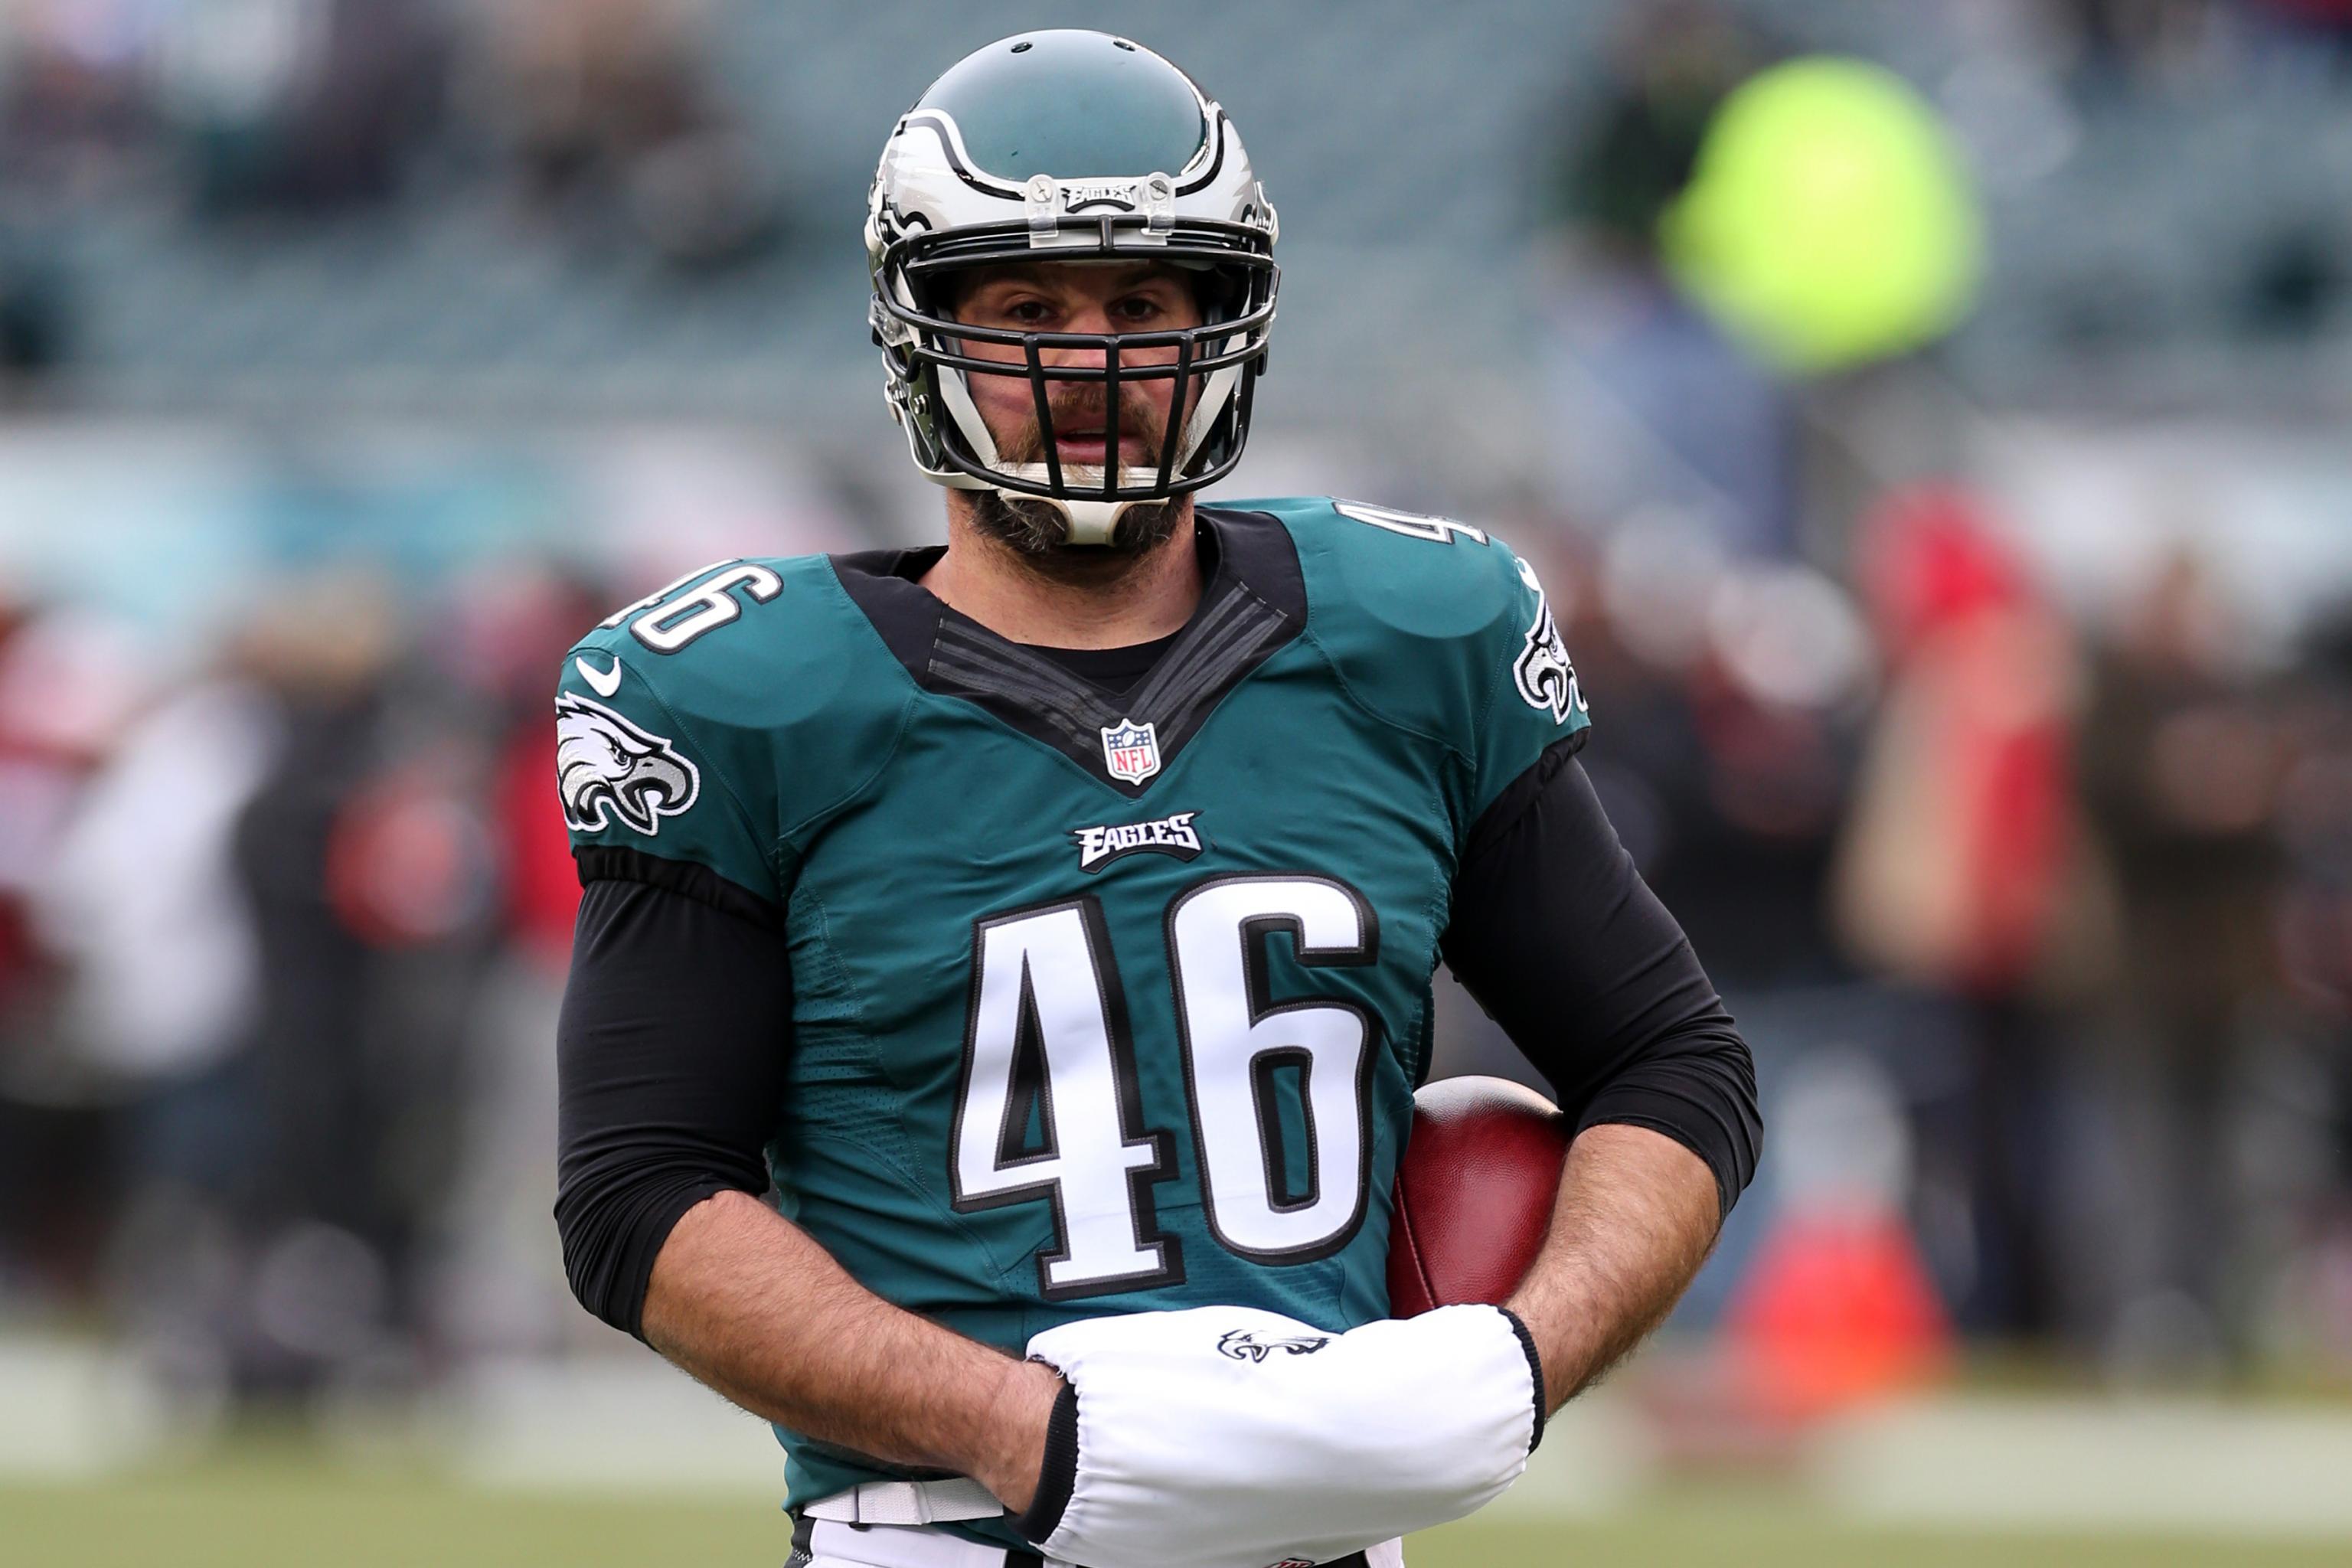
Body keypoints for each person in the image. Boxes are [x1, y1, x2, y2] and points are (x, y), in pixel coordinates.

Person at [553, 31, 1759, 1568]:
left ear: (1228, 322)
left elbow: (1672, 1063)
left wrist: (1525, 1358)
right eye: (1025, 309)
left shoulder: (1412, 637)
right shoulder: (750, 695)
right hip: (942, 1534)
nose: (1089, 361)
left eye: (1141, 304)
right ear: (920, 331)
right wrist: (1016, 1427)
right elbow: (637, 1196)